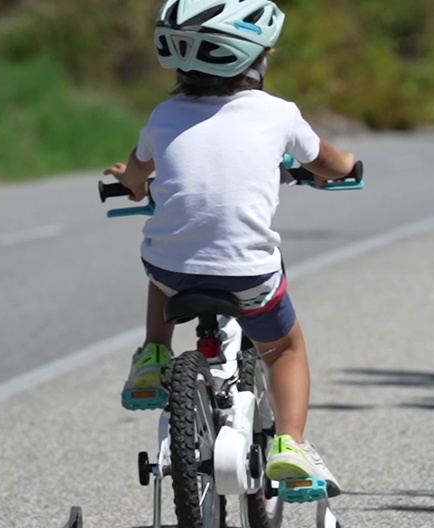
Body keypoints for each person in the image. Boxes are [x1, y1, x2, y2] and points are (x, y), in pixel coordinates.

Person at [104, 0, 358, 493]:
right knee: (284, 349)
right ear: (256, 58)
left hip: (174, 273)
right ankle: (290, 443)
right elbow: (328, 163)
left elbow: (137, 177)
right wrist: (347, 164)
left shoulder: (163, 115)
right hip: (248, 276)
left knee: (160, 262)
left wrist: (130, 181)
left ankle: (156, 354)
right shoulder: (278, 113)